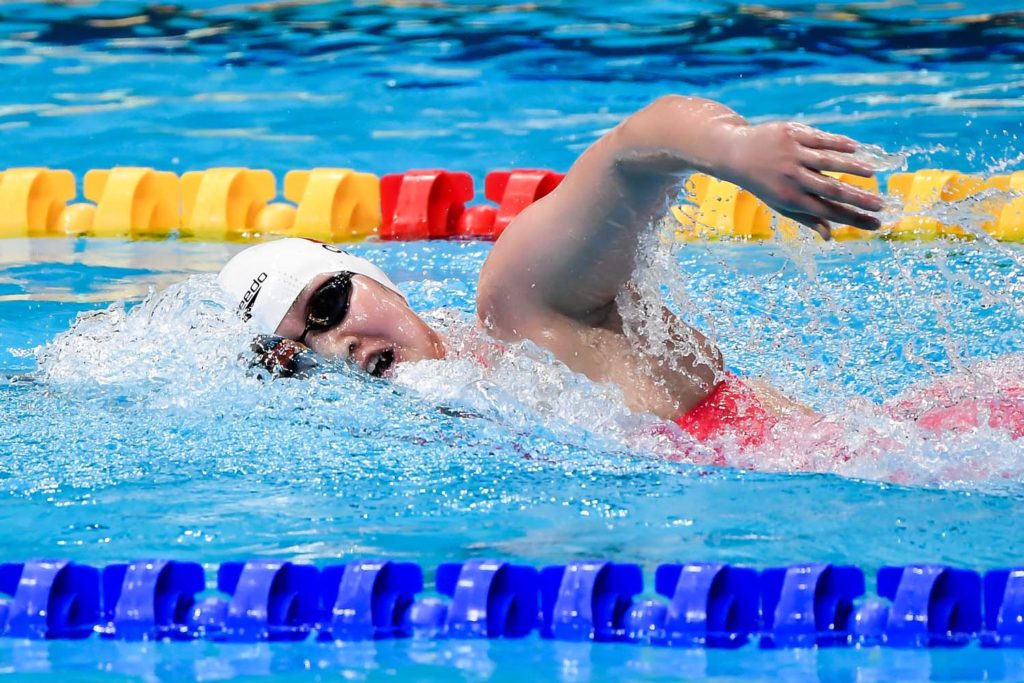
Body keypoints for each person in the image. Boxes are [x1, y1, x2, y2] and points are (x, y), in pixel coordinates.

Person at [218, 95, 884, 448]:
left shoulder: (519, 310)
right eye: (299, 351)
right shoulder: (426, 429)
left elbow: (633, 148)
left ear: (370, 275)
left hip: (860, 466)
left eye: (328, 304)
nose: (334, 344)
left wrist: (735, 149)